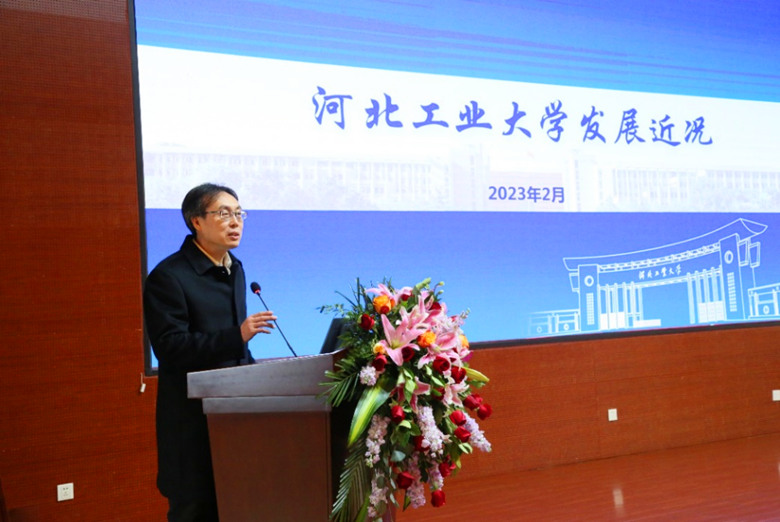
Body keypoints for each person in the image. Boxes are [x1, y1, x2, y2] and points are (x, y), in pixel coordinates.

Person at [143, 183, 277, 522]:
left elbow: (235, 352)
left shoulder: (235, 269)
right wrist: (237, 335)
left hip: (235, 421)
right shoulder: (168, 277)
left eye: (239, 214)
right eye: (224, 213)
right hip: (191, 426)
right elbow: (170, 348)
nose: (235, 222)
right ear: (196, 221)